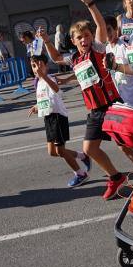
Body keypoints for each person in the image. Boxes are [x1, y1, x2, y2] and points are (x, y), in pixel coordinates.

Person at [40, 0, 131, 199]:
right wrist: (45, 41)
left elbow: (99, 25)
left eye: (87, 36)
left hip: (111, 105)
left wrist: (90, 4)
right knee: (89, 149)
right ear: (73, 41)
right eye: (79, 38)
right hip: (95, 111)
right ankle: (116, 177)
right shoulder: (74, 58)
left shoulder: (99, 49)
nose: (84, 40)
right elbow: (54, 58)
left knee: (127, 147)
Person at [28, 54, 91, 188]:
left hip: (58, 117)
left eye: (39, 65)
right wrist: (36, 107)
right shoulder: (39, 82)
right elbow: (45, 100)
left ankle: (80, 174)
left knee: (61, 151)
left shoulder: (49, 78)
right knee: (52, 152)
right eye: (34, 66)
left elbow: (56, 90)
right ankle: (82, 156)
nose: (36, 69)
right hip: (49, 118)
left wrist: (43, 76)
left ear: (46, 66)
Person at [104, 16, 133, 109]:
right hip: (121, 101)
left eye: (109, 30)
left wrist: (117, 67)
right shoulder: (107, 48)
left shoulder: (125, 45)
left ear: (116, 29)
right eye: (104, 31)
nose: (106, 34)